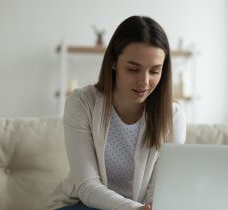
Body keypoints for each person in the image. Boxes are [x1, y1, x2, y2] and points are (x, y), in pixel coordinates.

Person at [48, 15, 186, 210]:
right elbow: (87, 185)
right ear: (113, 62)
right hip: (82, 204)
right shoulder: (81, 103)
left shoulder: (173, 116)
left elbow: (161, 191)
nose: (144, 82)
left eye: (154, 71)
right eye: (133, 69)